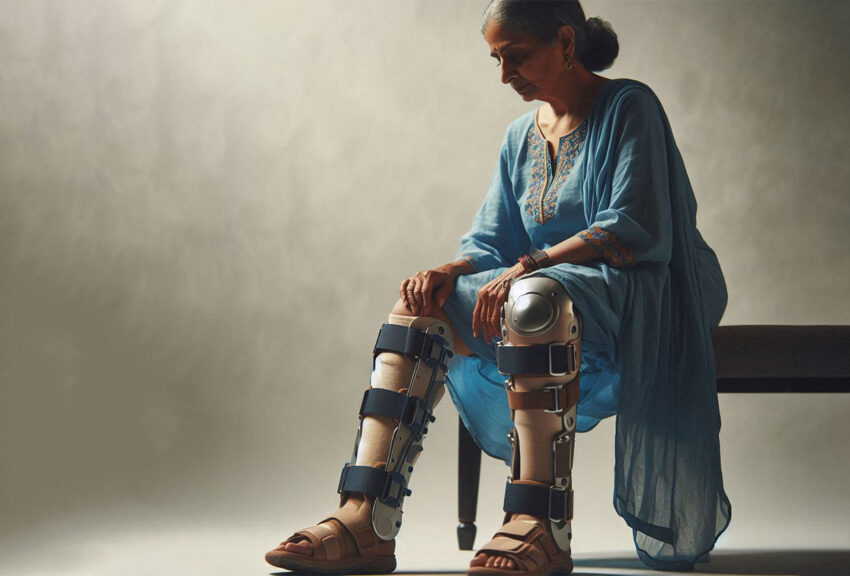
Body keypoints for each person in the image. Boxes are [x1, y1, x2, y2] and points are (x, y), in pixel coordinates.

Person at [265, 0, 731, 574]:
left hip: (640, 287)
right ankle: (366, 518)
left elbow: (634, 226)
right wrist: (450, 272)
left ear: (565, 43)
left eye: (517, 57)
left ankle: (541, 523)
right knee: (418, 310)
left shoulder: (628, 105)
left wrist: (528, 266)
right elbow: (489, 241)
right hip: (544, 288)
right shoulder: (520, 136)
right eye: (497, 61)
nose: (507, 74)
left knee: (534, 301)